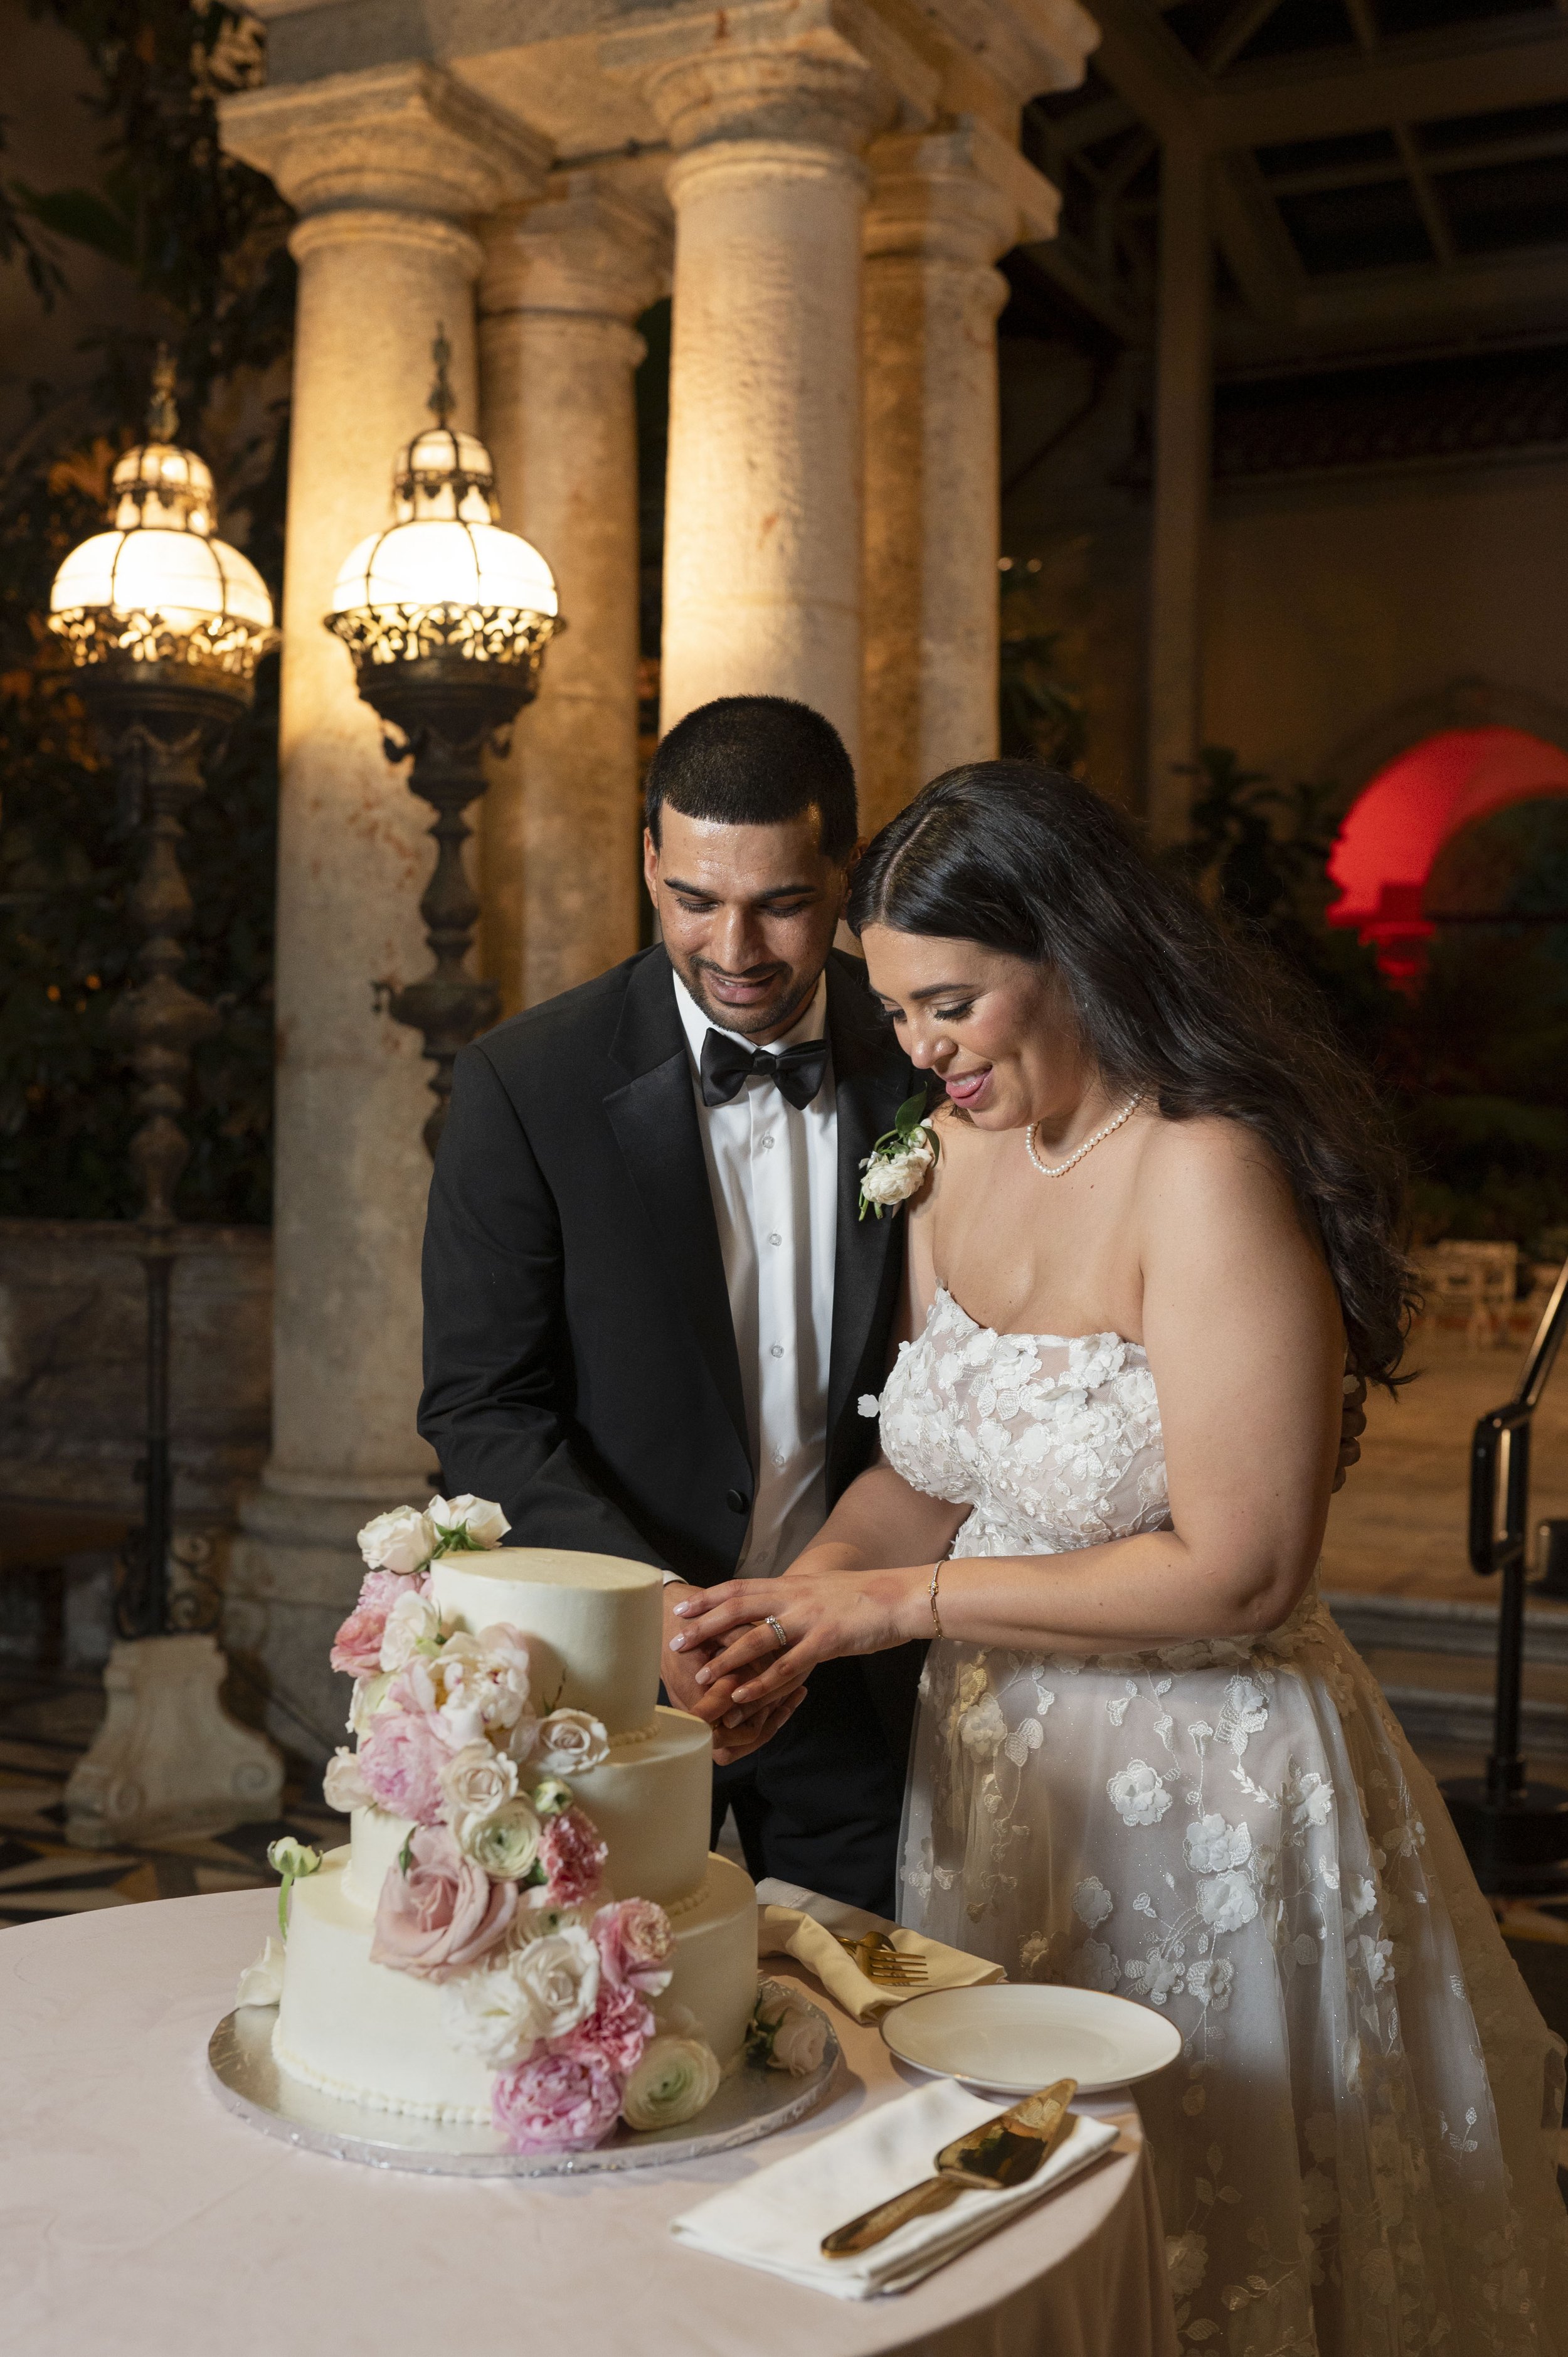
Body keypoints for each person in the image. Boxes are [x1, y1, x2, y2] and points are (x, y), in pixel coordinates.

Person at [675, 762, 1568, 2351]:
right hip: (1004, 1785)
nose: (921, 1051)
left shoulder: (1206, 1169)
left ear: (1074, 956)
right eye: (894, 1012)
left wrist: (895, 1605)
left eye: (951, 1003)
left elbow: (1241, 1568)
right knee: (1028, 2211)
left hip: (1208, 1791)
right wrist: (792, 1618)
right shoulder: (943, 1161)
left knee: (1212, 2213)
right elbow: (922, 1475)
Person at [418, 695, 922, 1913]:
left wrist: (826, 1611)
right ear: (648, 858)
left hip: (863, 1679)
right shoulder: (520, 1085)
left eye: (782, 903)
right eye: (694, 897)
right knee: (614, 2047)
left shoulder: (925, 1064)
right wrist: (656, 1622)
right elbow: (483, 1409)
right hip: (606, 1681)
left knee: (879, 2040)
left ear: (843, 873)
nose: (735, 947)